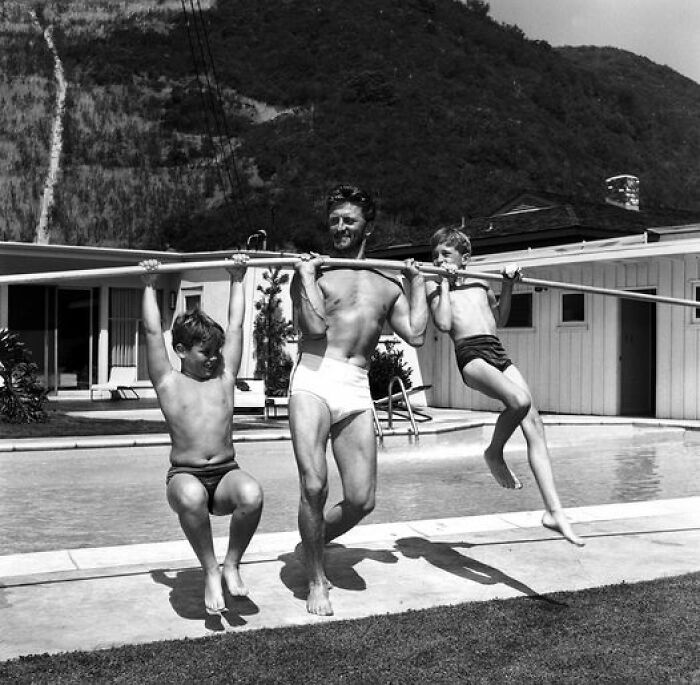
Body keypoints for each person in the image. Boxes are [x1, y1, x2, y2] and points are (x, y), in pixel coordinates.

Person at [289, 184, 429, 615]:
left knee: (361, 499)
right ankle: (317, 579)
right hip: (313, 376)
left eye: (348, 220)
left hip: (355, 384)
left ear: (367, 224)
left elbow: (417, 333)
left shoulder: (388, 283)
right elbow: (311, 328)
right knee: (314, 484)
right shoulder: (320, 271)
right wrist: (306, 279)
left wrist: (418, 281)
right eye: (333, 220)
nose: (340, 227)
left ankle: (309, 541)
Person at [426, 225, 584, 547]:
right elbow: (443, 324)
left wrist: (509, 286)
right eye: (436, 255)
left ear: (464, 257)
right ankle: (494, 451)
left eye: (446, 254)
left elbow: (501, 320)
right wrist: (443, 280)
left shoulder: (481, 281)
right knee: (518, 399)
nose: (439, 259)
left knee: (535, 424)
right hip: (471, 356)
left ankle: (554, 511)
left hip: (496, 350)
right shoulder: (435, 284)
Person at [140, 255, 264, 615]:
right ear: (180, 350)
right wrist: (148, 284)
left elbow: (238, 327)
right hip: (185, 476)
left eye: (216, 352)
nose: (213, 358)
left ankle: (231, 564)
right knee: (192, 496)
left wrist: (237, 278)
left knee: (252, 494)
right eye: (204, 352)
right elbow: (152, 332)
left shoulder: (224, 379)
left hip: (226, 473)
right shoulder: (168, 382)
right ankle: (210, 569)